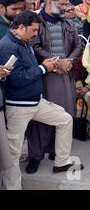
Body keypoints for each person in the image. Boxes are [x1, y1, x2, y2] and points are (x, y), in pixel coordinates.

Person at [0, 11, 81, 190]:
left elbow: (30, 68)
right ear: (21, 28)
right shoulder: (7, 47)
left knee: (65, 119)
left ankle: (60, 162)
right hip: (18, 107)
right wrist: (44, 68)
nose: (36, 34)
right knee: (12, 154)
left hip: (35, 102)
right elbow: (16, 79)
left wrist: (47, 64)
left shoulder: (23, 41)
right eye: (34, 30)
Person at [26, 0, 83, 174]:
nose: (64, 8)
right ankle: (35, 156)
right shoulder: (36, 23)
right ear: (48, 3)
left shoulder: (67, 23)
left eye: (65, 5)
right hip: (44, 75)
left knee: (65, 113)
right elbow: (34, 46)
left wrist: (69, 62)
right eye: (61, 5)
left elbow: (78, 45)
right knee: (40, 118)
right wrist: (55, 62)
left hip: (65, 72)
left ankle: (55, 152)